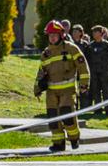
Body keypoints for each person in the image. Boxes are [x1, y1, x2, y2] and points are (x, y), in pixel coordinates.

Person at [33, 20, 91, 151]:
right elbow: (41, 72)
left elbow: (82, 66)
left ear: (61, 35)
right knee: (53, 118)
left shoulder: (71, 48)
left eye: (55, 35)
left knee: (67, 114)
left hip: (67, 89)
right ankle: (58, 143)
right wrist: (37, 88)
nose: (52, 38)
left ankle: (74, 138)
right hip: (51, 92)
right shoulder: (46, 53)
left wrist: (84, 84)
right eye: (50, 35)